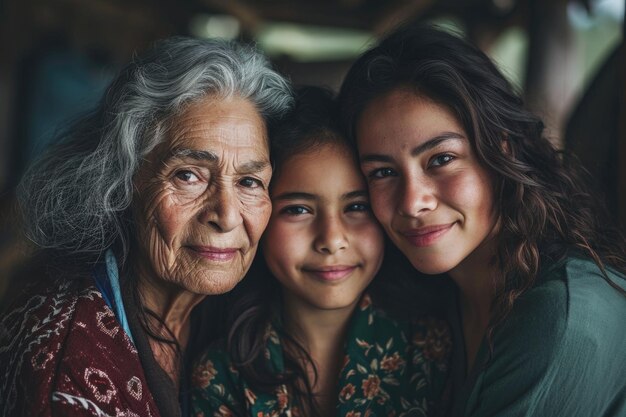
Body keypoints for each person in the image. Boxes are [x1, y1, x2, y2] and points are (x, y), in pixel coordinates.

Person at [338, 24, 626, 417]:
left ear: (500, 150)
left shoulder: (563, 316)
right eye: (382, 173)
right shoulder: (434, 301)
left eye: (441, 159)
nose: (412, 202)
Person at [0, 37, 292, 417]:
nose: (227, 215)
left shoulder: (251, 314)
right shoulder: (64, 355)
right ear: (124, 179)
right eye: (189, 175)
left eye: (249, 182)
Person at [191, 87, 451, 417]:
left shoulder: (434, 348)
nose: (331, 239)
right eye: (298, 210)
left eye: (357, 206)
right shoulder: (220, 372)